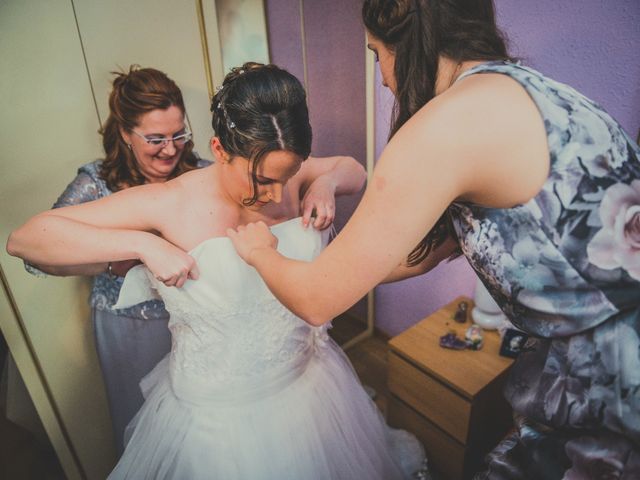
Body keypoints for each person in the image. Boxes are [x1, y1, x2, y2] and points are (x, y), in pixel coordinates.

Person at [224, 2, 640, 479]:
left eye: (376, 52)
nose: (381, 77)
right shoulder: (530, 89)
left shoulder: (444, 126)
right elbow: (424, 252)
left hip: (616, 384)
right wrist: (335, 258)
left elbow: (317, 300)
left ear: (408, 37)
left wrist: (260, 253)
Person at [7, 62, 426, 479]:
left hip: (308, 383)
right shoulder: (169, 202)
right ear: (220, 150)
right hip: (216, 419)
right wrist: (143, 243)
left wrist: (324, 182)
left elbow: (355, 170)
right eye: (261, 180)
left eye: (291, 175)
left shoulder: (286, 175)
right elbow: (26, 239)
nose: (277, 194)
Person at [23, 65, 211, 455]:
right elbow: (36, 253)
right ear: (126, 134)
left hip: (200, 321)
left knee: (204, 429)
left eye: (179, 134)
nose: (171, 149)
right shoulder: (96, 183)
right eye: (156, 138)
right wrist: (116, 259)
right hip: (133, 328)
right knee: (149, 432)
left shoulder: (199, 175)